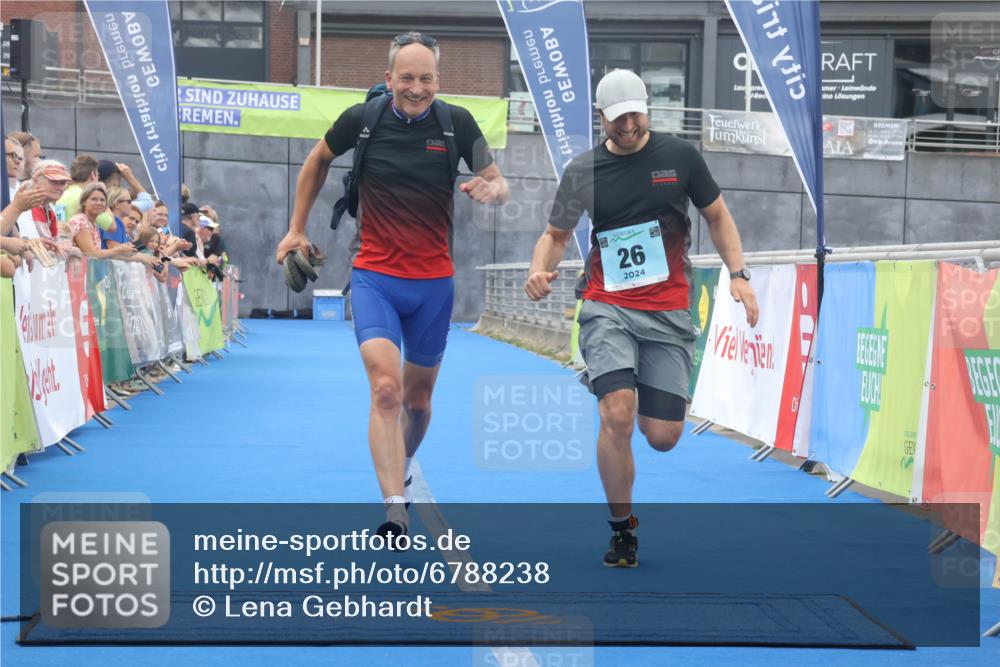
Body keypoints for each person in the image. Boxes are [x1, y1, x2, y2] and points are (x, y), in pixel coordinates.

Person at [275, 31, 508, 539]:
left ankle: (401, 465)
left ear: (438, 80)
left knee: (418, 404)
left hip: (434, 286)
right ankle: (394, 506)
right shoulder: (363, 120)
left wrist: (492, 188)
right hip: (375, 277)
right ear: (389, 78)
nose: (417, 88)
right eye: (407, 78)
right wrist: (296, 228)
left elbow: (499, 181)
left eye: (426, 78)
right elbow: (317, 160)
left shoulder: (458, 124)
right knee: (385, 388)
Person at [524, 69, 759, 568]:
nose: (628, 126)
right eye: (617, 119)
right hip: (607, 305)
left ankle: (634, 397)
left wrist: (739, 274)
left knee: (663, 436)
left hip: (668, 310)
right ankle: (622, 530)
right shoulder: (583, 171)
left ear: (647, 109)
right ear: (601, 118)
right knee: (617, 414)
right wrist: (538, 269)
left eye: (634, 115)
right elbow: (555, 235)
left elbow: (718, 215)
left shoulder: (680, 158)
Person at [67, 182, 136, 260]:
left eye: (102, 200)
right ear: (84, 202)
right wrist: (118, 250)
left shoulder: (93, 223)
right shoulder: (80, 221)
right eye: (94, 199)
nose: (99, 203)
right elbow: (91, 253)